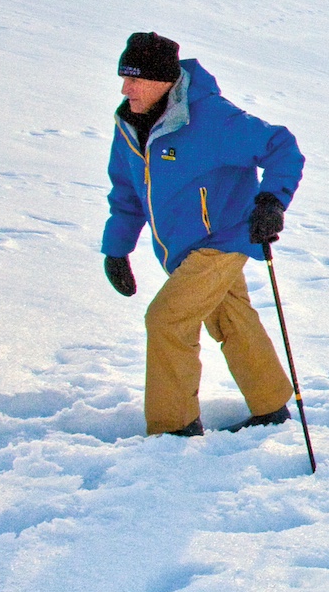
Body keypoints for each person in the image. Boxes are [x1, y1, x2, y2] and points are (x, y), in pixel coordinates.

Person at [101, 32, 304, 438]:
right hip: (182, 248)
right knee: (232, 317)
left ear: (163, 81)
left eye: (135, 80)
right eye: (124, 78)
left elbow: (282, 147)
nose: (126, 88)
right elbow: (126, 193)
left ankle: (174, 427)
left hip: (224, 239)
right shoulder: (129, 126)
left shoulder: (211, 118)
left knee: (166, 320)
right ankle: (270, 406)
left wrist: (271, 201)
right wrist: (117, 249)